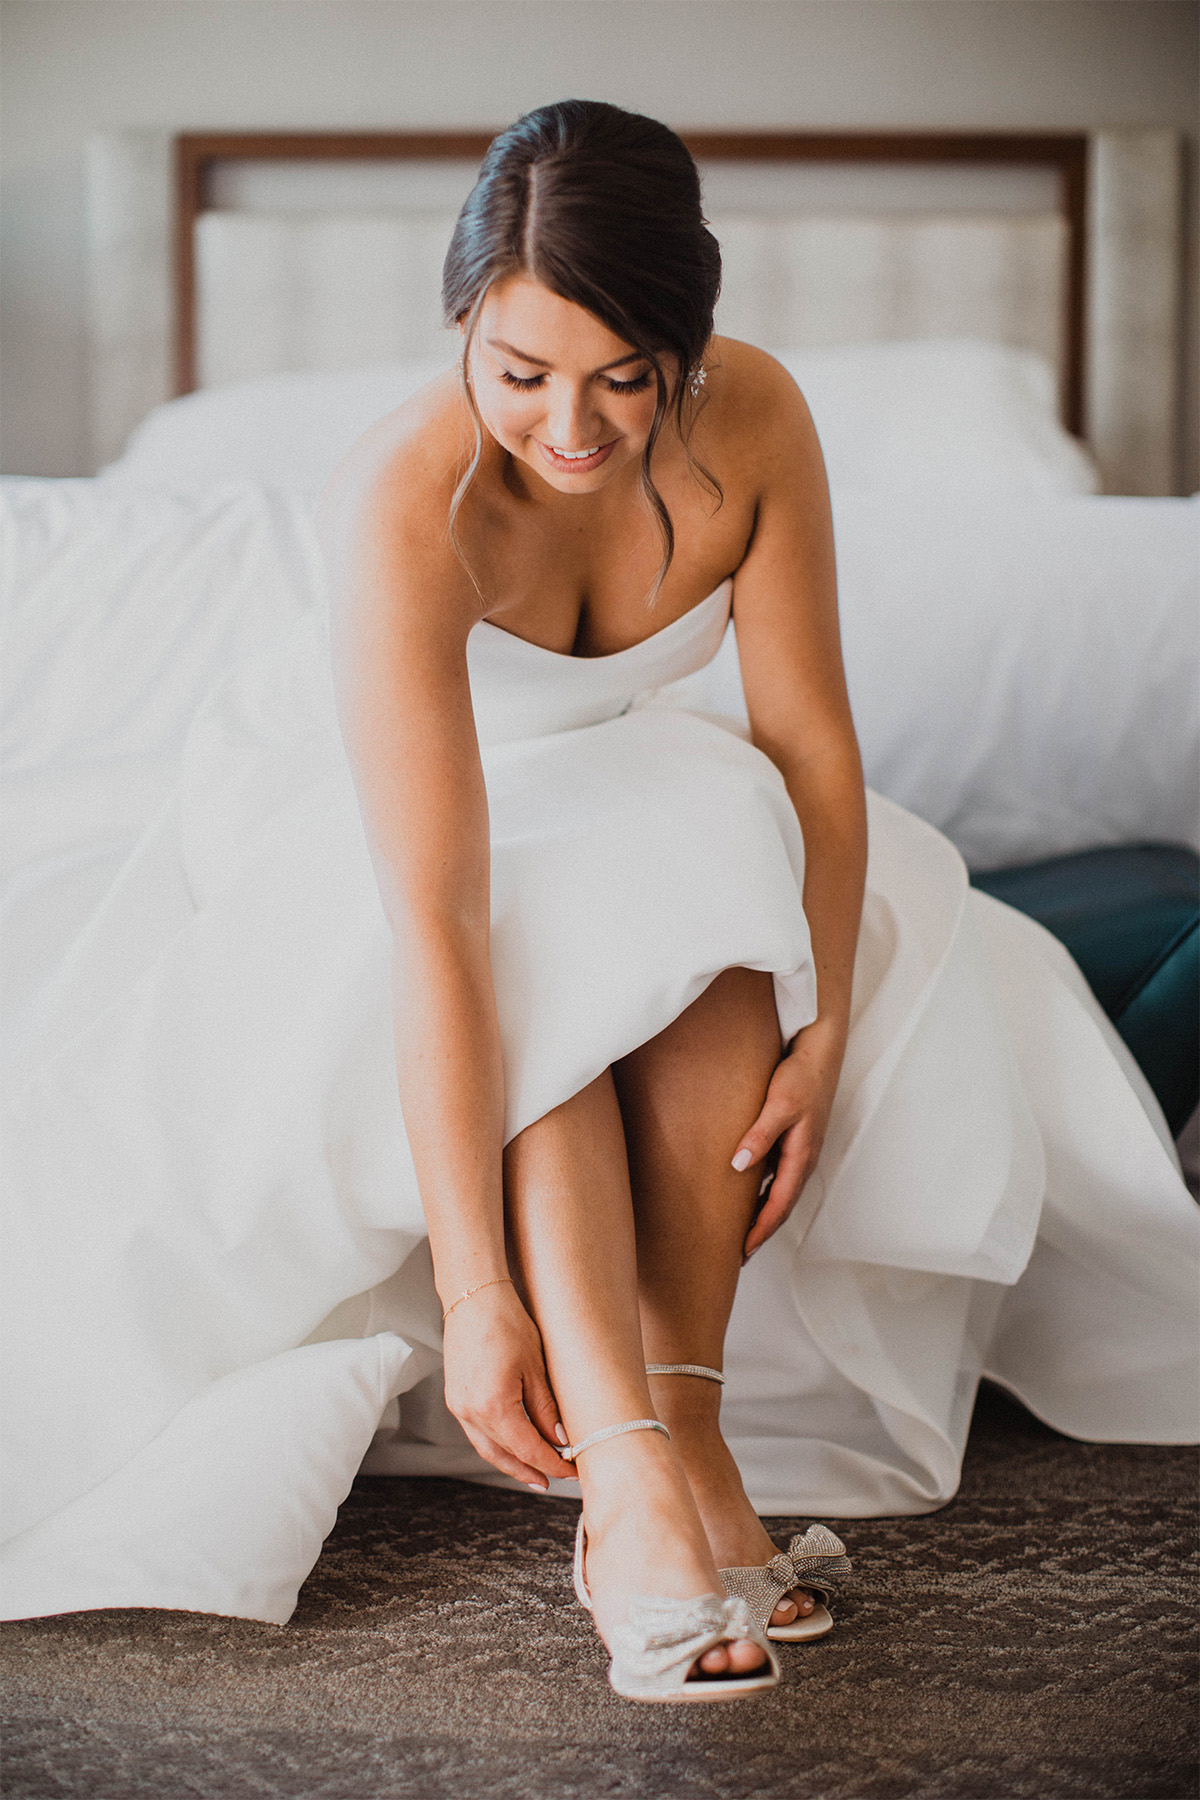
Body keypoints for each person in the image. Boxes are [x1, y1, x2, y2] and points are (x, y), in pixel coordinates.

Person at [3, 100, 1195, 1701]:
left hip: (640, 803)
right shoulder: (402, 502)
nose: (571, 428)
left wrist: (827, 1032)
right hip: (385, 842)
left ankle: (689, 1436)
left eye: (625, 378)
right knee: (573, 909)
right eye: (521, 374)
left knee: (711, 846)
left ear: (688, 347)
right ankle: (632, 1477)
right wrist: (473, 1289)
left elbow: (814, 753)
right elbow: (443, 921)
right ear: (462, 332)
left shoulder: (757, 420)